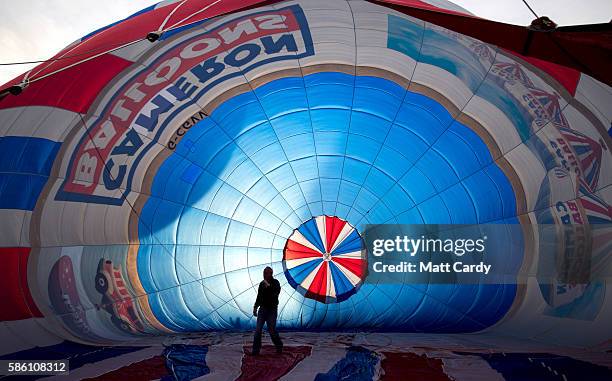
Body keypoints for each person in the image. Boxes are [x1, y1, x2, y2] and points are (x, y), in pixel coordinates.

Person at [252, 266, 283, 355]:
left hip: (272, 310)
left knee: (271, 330)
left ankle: (279, 346)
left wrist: (268, 287)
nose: (264, 275)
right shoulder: (262, 284)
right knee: (258, 330)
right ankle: (255, 351)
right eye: (263, 273)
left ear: (271, 274)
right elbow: (259, 297)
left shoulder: (276, 283)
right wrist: (255, 307)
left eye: (266, 273)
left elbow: (275, 293)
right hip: (262, 309)